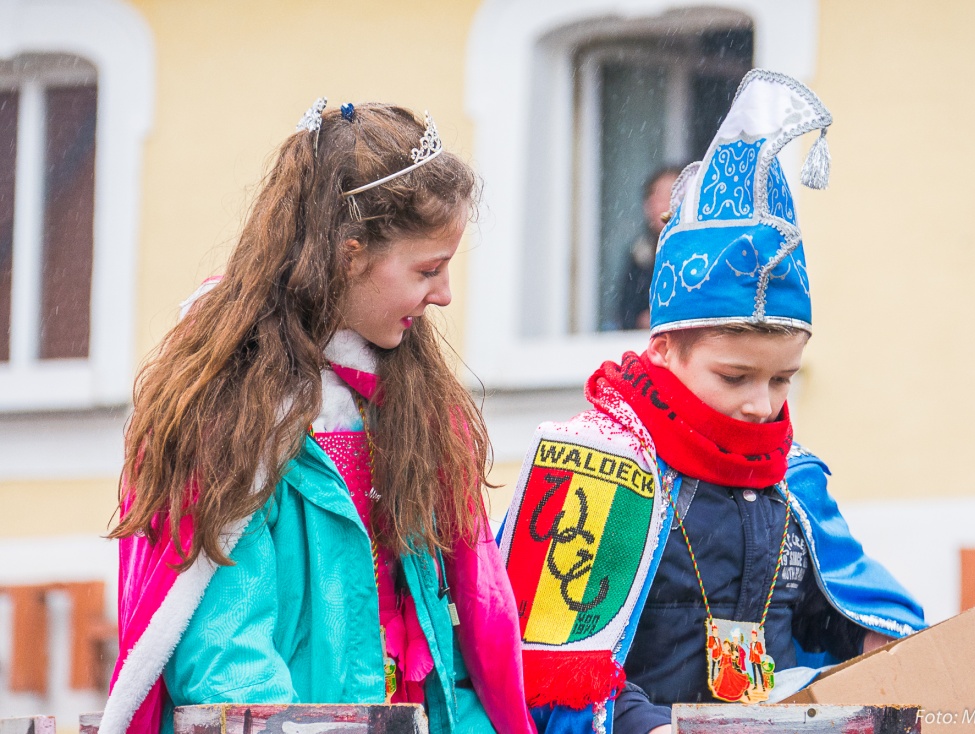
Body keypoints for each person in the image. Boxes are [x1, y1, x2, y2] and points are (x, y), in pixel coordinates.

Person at [495, 70, 925, 734]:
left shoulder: (793, 481)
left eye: (783, 380)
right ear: (663, 347)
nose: (762, 404)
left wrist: (876, 647)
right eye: (735, 377)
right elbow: (544, 675)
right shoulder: (594, 472)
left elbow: (835, 619)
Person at [101, 101, 535, 734]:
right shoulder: (238, 417)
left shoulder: (412, 405)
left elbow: (449, 650)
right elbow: (228, 660)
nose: (444, 294)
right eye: (428, 269)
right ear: (350, 255)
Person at [615, 167, 680, 331]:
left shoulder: (704, 253)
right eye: (658, 197)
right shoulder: (640, 254)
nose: (665, 205)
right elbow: (627, 313)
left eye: (673, 196)